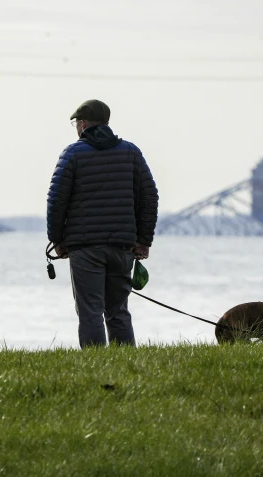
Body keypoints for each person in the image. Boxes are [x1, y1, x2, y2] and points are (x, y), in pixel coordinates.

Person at [47, 99, 158, 348]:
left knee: (90, 312)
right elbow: (150, 197)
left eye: (76, 123)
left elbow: (56, 200)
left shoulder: (73, 154)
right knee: (118, 311)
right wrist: (143, 240)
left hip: (85, 248)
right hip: (123, 247)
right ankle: (126, 364)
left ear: (83, 124)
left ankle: (96, 366)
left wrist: (57, 240)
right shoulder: (131, 153)